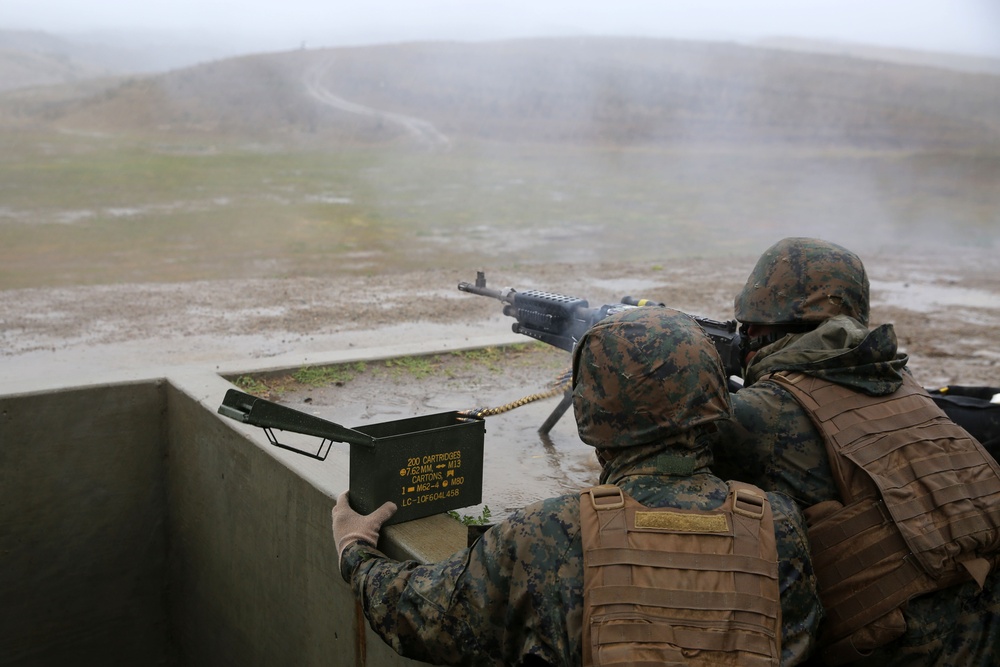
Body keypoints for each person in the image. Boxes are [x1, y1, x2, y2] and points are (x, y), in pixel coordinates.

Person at [332, 307, 822, 666]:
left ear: (592, 416)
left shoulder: (550, 533)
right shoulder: (777, 524)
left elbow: (424, 614)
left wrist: (355, 550)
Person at [713, 237, 1000, 666]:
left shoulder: (762, 414)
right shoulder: (903, 384)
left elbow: (656, 478)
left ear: (757, 325)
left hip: (895, 648)